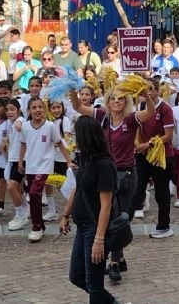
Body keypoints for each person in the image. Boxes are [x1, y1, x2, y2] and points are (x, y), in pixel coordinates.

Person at [69, 85, 155, 284]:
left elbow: (150, 112)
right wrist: (72, 90)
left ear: (126, 102)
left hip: (126, 174)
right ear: (107, 101)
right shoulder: (102, 116)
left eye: (121, 98)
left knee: (118, 218)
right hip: (105, 172)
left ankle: (114, 262)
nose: (117, 101)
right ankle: (119, 258)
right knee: (107, 216)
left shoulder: (131, 118)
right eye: (113, 98)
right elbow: (78, 107)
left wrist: (147, 96)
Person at [60, 116, 122, 304]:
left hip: (94, 228)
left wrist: (99, 240)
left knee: (94, 285)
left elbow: (106, 205)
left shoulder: (103, 165)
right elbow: (77, 188)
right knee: (76, 276)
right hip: (82, 226)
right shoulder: (85, 160)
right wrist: (65, 215)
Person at [18, 97, 70, 242]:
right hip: (31, 166)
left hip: (45, 166)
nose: (37, 110)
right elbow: (23, 144)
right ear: (29, 110)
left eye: (40, 107)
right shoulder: (26, 127)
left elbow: (60, 143)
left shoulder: (49, 126)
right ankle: (39, 224)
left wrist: (69, 161)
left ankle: (36, 227)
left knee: (35, 193)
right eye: (34, 108)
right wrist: (20, 162)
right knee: (33, 195)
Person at [130, 79, 175, 239]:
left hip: (161, 155)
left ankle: (164, 226)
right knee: (137, 188)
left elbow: (168, 136)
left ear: (157, 91)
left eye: (150, 89)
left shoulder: (165, 109)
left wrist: (147, 144)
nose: (147, 92)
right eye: (144, 89)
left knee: (161, 192)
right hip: (143, 154)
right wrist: (137, 143)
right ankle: (123, 225)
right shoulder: (141, 107)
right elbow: (137, 129)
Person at [4, 99, 30, 231]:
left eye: (12, 109)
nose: (9, 112)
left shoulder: (21, 121)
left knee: (11, 187)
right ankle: (25, 211)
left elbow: (20, 124)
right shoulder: (10, 123)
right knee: (18, 188)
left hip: (21, 160)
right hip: (12, 160)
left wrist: (19, 123)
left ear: (18, 110)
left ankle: (21, 216)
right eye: (7, 110)